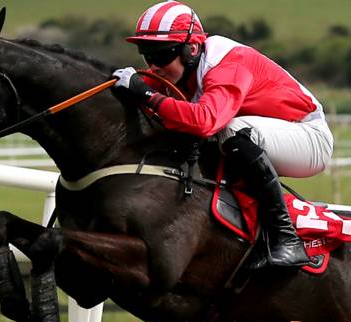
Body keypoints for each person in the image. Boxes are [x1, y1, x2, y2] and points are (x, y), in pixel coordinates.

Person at [112, 1, 334, 268]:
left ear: (191, 49)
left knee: (231, 130)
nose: (154, 66)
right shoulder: (183, 67)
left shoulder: (227, 64)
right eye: (147, 56)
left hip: (310, 138)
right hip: (270, 133)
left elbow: (205, 121)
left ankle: (285, 239)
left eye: (161, 56)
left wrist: (147, 94)